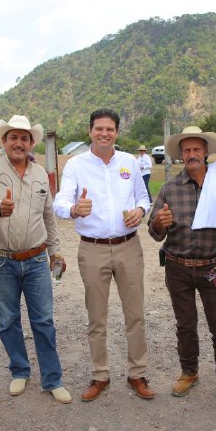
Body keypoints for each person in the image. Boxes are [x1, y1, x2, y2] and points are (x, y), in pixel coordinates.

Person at [52, 108, 154, 401]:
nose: (104, 133)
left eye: (110, 129)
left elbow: (143, 197)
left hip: (128, 246)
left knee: (135, 314)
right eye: (99, 128)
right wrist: (74, 209)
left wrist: (140, 211)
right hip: (93, 248)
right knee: (96, 317)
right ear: (90, 131)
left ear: (117, 132)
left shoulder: (129, 162)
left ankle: (137, 374)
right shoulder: (76, 165)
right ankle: (100, 375)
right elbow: (60, 202)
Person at [0, 115, 72, 404]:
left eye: (24, 138)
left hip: (36, 259)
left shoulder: (40, 173)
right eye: (13, 137)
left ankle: (52, 379)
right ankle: (19, 370)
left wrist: (55, 252)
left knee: (43, 320)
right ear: (4, 141)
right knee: (8, 320)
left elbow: (48, 216)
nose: (19, 143)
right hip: (1, 260)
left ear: (31, 143)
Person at [148, 126, 216, 404]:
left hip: (212, 267)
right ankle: (189, 373)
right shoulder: (170, 188)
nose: (192, 154)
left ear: (205, 152)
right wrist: (159, 223)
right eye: (187, 150)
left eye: (196, 149)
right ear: (181, 155)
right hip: (177, 266)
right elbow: (155, 232)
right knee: (185, 325)